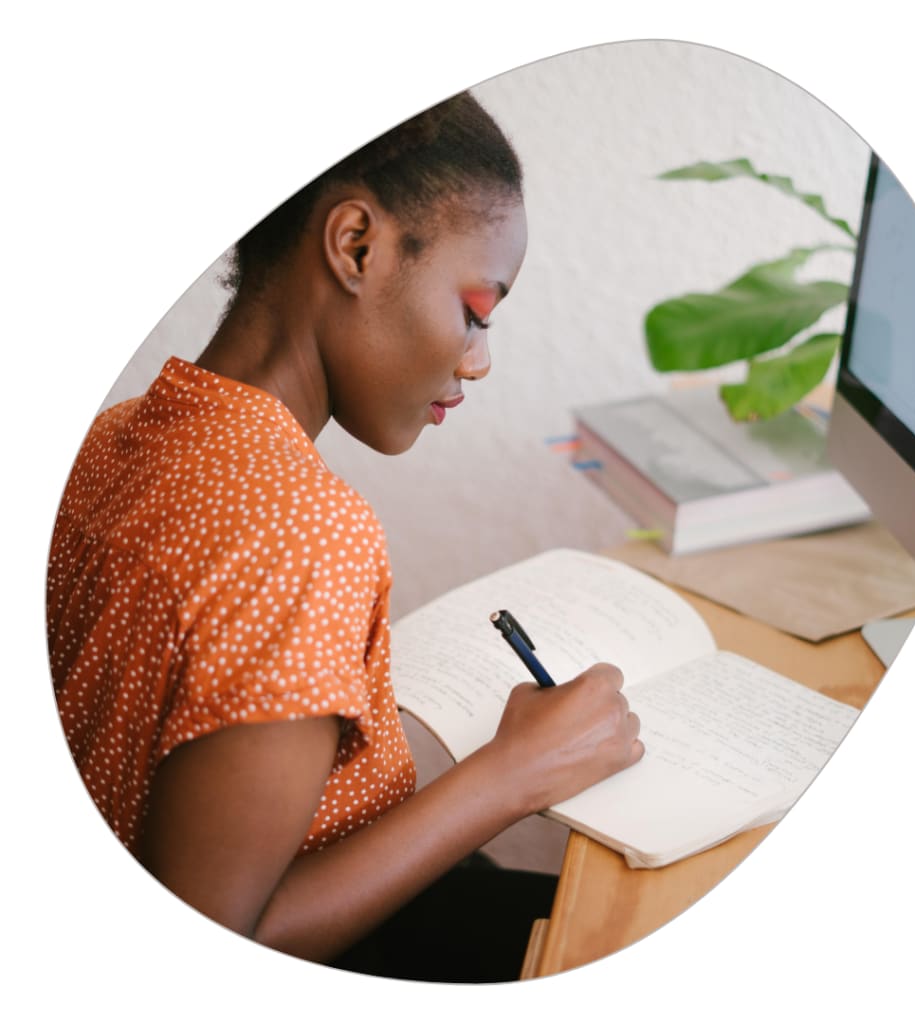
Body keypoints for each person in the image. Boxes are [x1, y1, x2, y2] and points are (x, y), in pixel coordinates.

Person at [47, 92, 643, 984]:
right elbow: (215, 947)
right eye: (477, 311)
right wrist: (512, 774)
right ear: (356, 245)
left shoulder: (113, 436)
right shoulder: (301, 531)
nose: (478, 359)